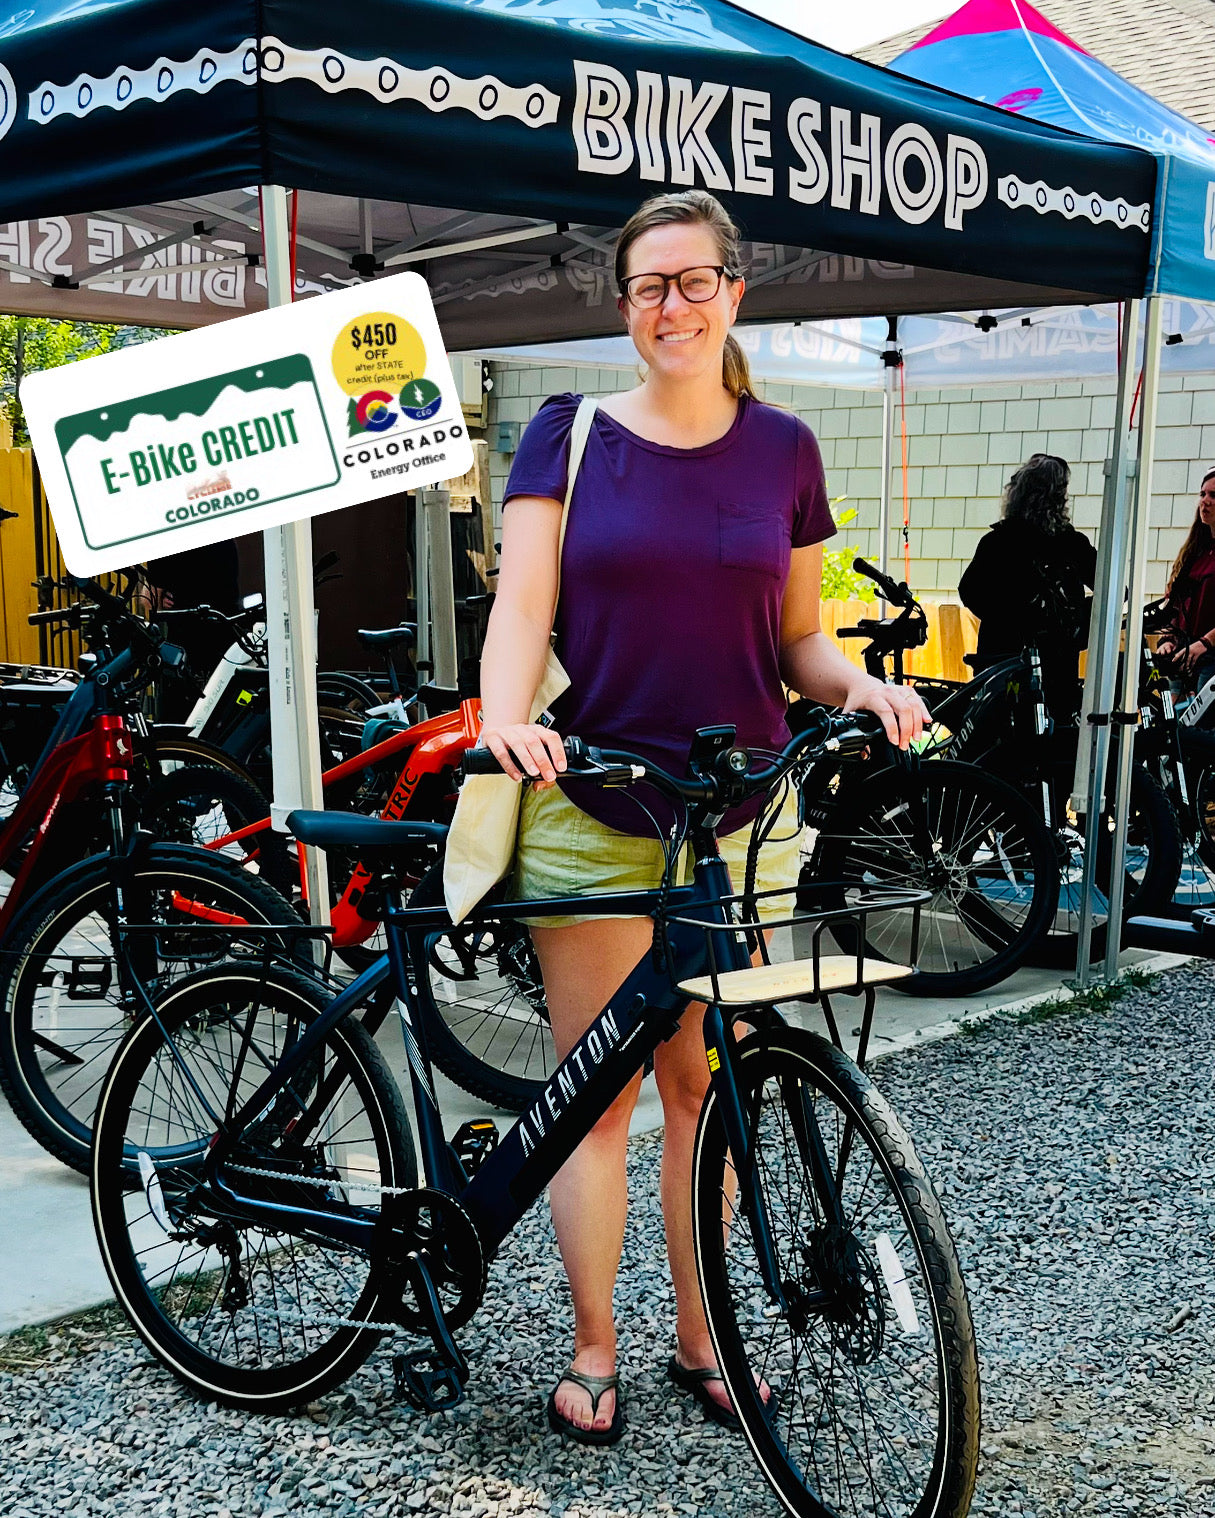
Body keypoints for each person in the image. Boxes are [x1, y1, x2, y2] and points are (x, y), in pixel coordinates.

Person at [477, 189, 928, 1444]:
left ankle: (702, 1334)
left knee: (707, 1087)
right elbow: (521, 610)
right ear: (625, 303)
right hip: (599, 806)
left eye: (691, 281)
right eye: (644, 285)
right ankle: (591, 1349)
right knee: (598, 1096)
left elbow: (798, 640)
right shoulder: (564, 436)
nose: (667, 305)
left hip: (740, 820)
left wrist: (864, 686)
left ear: (736, 290)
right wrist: (502, 716)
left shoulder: (785, 449)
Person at [958, 453, 1096, 722]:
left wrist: (1009, 618)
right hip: (1047, 666)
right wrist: (1075, 621)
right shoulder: (1070, 544)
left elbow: (970, 592)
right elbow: (1115, 590)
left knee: (1003, 742)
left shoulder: (999, 541)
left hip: (1007, 663)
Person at [140, 540, 242, 719]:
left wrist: (166, 597)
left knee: (180, 720)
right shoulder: (224, 537)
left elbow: (148, 600)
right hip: (227, 637)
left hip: (185, 647)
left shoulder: (168, 542)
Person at [1154, 467, 1215, 689]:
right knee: (1176, 722)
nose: (1205, 501)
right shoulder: (1193, 553)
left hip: (1209, 660)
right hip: (1185, 657)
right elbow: (1176, 603)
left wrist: (1205, 643)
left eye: (1213, 496)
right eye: (1202, 494)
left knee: (1199, 723)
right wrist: (1168, 640)